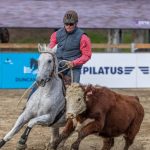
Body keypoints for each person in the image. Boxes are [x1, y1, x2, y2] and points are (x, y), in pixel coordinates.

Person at [49, 10, 92, 83]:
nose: (68, 26)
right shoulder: (56, 34)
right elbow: (50, 50)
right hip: (58, 65)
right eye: (66, 24)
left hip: (73, 68)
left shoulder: (83, 37)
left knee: (75, 90)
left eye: (71, 24)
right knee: (42, 80)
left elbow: (87, 55)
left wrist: (74, 63)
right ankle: (32, 94)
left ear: (76, 23)